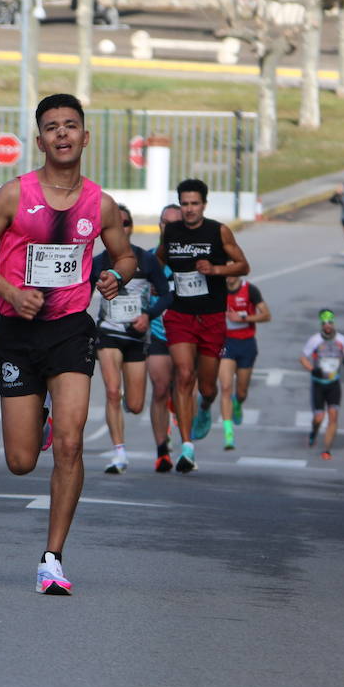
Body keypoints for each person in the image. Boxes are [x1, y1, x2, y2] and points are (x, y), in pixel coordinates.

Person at [0, 92, 136, 596]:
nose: (62, 134)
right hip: (17, 333)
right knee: (20, 463)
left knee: (73, 444)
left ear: (85, 136)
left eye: (71, 125)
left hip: (69, 330)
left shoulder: (99, 204)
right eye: (52, 127)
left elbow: (124, 257)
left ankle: (52, 559)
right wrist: (11, 291)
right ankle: (39, 417)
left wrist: (113, 278)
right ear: (40, 141)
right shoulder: (15, 195)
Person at [157, 179, 251, 473]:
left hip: (211, 317)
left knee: (207, 386)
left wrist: (216, 269)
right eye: (184, 203)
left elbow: (243, 265)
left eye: (194, 204)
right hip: (180, 315)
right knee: (184, 375)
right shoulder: (172, 231)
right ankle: (187, 447)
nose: (189, 209)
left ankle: (206, 406)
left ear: (204, 205)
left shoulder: (218, 230)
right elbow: (158, 260)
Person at [91, 204, 171, 474]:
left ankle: (125, 401)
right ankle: (119, 453)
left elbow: (167, 293)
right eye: (118, 223)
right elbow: (78, 295)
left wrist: (148, 315)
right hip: (108, 334)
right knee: (112, 392)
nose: (122, 228)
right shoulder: (99, 262)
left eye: (126, 223)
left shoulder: (145, 260)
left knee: (135, 405)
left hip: (137, 336)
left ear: (131, 227)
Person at [147, 204, 183, 472]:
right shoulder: (148, 260)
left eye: (173, 223)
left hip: (187, 335)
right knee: (160, 389)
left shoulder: (192, 260)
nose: (167, 227)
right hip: (159, 336)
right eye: (163, 222)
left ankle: (187, 445)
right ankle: (162, 449)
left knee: (185, 390)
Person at [217, 275, 271, 450]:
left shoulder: (250, 290)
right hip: (226, 343)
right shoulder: (218, 290)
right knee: (225, 387)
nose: (229, 275)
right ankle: (228, 434)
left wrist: (243, 319)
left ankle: (238, 403)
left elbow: (266, 315)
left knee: (241, 392)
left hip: (246, 344)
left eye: (232, 271)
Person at [300, 309, 344, 461]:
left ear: (333, 323)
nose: (327, 326)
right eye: (324, 323)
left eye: (330, 322)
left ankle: (327, 450)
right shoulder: (315, 340)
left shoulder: (342, 340)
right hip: (318, 384)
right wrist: (312, 369)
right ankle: (314, 432)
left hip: (334, 383)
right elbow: (303, 358)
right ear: (321, 324)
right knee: (319, 417)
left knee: (333, 416)